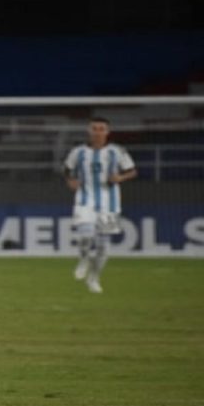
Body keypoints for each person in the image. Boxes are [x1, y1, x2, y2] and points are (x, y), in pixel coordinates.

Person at [63, 116, 137, 294]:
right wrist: (70, 181)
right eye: (94, 128)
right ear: (89, 131)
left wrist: (120, 177)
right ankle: (84, 260)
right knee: (85, 236)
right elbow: (67, 170)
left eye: (101, 129)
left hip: (110, 203)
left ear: (107, 131)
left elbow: (132, 171)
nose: (97, 132)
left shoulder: (117, 151)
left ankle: (94, 278)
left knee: (103, 246)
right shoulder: (78, 152)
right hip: (84, 199)